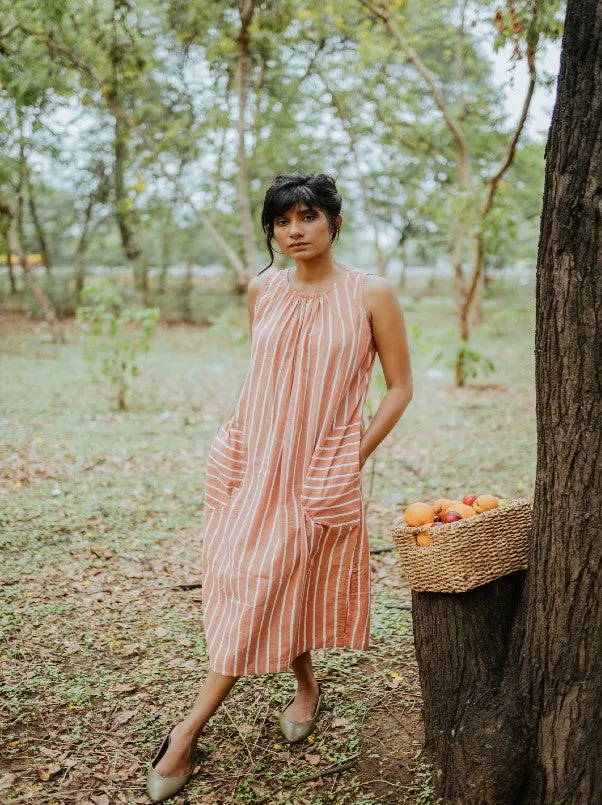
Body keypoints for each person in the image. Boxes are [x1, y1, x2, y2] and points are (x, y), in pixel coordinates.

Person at [146, 173, 413, 802]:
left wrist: (350, 456)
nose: (294, 231)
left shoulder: (371, 293)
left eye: (307, 218)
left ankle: (186, 732)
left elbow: (399, 387)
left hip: (319, 469)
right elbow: (266, 376)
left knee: (270, 580)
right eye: (281, 222)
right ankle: (307, 686)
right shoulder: (262, 289)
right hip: (248, 461)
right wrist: (235, 446)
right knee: (256, 579)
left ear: (334, 224)